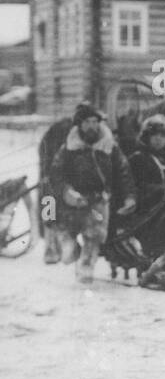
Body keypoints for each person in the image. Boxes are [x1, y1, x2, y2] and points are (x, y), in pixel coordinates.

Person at [48, 102, 137, 284]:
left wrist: (129, 197)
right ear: (79, 125)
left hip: (98, 199)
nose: (92, 126)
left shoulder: (109, 147)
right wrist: (67, 192)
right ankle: (72, 251)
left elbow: (124, 172)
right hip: (71, 200)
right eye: (87, 122)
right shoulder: (68, 148)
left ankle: (86, 267)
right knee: (66, 247)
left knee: (93, 235)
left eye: (95, 122)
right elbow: (55, 173)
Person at [125, 114, 165, 287]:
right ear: (147, 137)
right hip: (146, 211)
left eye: (163, 136)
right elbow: (134, 187)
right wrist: (163, 190)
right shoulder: (138, 159)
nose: (159, 139)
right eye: (155, 135)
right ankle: (162, 267)